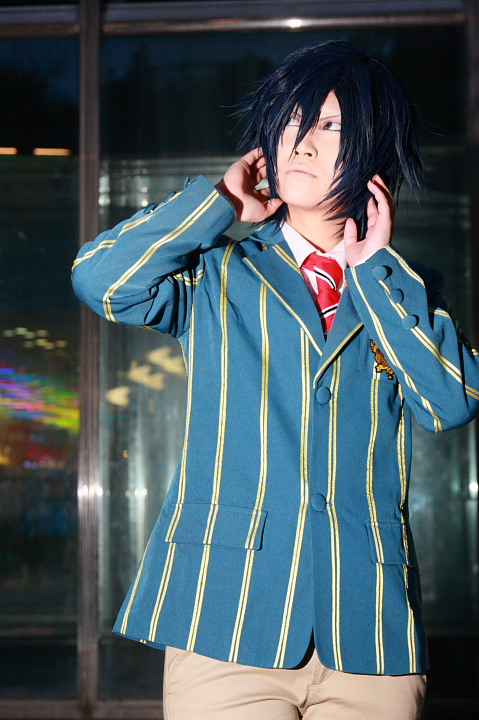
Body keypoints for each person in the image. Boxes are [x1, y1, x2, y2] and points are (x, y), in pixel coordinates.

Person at [72, 40, 479, 720]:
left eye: (331, 125)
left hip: (369, 636)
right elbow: (101, 281)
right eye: (292, 121)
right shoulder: (216, 271)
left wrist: (373, 274)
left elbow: (451, 402)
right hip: (224, 621)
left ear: (374, 151)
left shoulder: (400, 292)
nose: (302, 142)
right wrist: (217, 206)